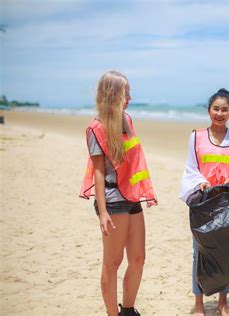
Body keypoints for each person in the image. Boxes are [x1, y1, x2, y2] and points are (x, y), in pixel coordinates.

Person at [80, 70, 157, 316]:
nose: (130, 97)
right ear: (114, 94)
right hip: (112, 201)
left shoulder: (127, 119)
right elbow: (98, 172)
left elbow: (133, 162)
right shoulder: (96, 128)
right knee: (112, 263)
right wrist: (102, 212)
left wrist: (144, 189)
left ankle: (128, 310)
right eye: (127, 92)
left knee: (138, 258)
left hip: (132, 198)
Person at [179, 88, 229, 316]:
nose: (220, 113)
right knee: (199, 252)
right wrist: (200, 182)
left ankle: (222, 302)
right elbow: (191, 167)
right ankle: (199, 303)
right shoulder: (196, 136)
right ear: (209, 110)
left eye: (224, 109)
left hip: (228, 202)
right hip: (204, 203)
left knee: (225, 252)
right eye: (216, 108)